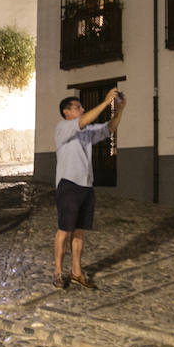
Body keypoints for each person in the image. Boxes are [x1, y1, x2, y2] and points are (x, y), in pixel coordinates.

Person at [52, 89, 125, 290]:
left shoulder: (85, 131)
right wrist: (105, 101)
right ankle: (58, 272)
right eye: (78, 107)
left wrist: (119, 109)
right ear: (67, 112)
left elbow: (109, 128)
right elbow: (83, 121)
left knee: (79, 233)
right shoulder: (63, 127)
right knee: (64, 231)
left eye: (82, 107)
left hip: (86, 186)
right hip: (69, 184)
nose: (82, 109)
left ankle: (76, 271)